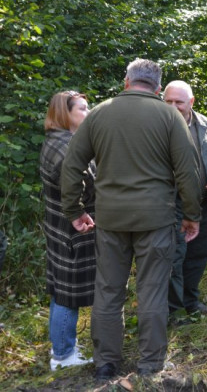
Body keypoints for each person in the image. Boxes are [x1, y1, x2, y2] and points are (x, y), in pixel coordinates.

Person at [61, 59, 202, 380]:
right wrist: (192, 215)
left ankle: (106, 363)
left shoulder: (99, 113)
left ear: (127, 81)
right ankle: (150, 364)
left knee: (108, 290)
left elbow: (72, 165)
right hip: (156, 219)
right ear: (157, 86)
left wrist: (75, 210)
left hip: (110, 219)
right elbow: (188, 172)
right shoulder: (169, 116)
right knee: (152, 290)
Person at [40, 91, 96, 371]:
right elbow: (78, 190)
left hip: (62, 228)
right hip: (72, 230)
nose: (88, 112)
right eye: (83, 109)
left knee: (61, 289)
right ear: (65, 113)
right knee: (67, 293)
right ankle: (62, 355)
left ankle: (63, 345)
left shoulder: (61, 140)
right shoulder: (66, 148)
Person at [164, 81, 207, 317]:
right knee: (174, 259)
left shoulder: (206, 125)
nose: (173, 106)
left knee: (198, 255)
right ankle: (175, 312)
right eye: (168, 101)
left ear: (191, 102)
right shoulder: (159, 125)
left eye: (178, 102)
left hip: (205, 202)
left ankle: (191, 303)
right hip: (172, 203)